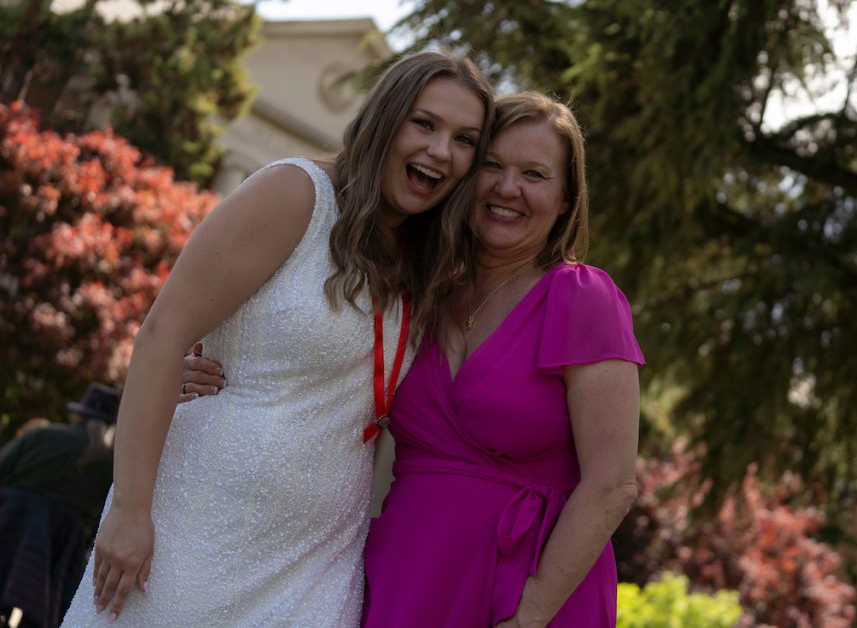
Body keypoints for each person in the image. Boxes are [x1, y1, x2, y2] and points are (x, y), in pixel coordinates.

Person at [60, 49, 494, 626]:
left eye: (464, 139)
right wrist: (131, 508)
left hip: (319, 561)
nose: (441, 151)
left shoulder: (427, 263)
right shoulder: (295, 194)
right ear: (385, 117)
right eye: (425, 123)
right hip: (192, 528)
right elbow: (163, 335)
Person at [185, 92, 645, 626]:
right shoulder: (422, 288)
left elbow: (612, 483)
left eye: (535, 174)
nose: (507, 188)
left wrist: (530, 612)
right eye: (491, 166)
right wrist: (209, 368)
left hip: (525, 588)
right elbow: (326, 374)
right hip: (401, 573)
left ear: (567, 199)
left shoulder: (582, 296)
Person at [0, 383, 121, 628]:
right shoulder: (111, 465)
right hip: (60, 543)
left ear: (79, 413)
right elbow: (102, 516)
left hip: (9, 521)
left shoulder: (42, 435)